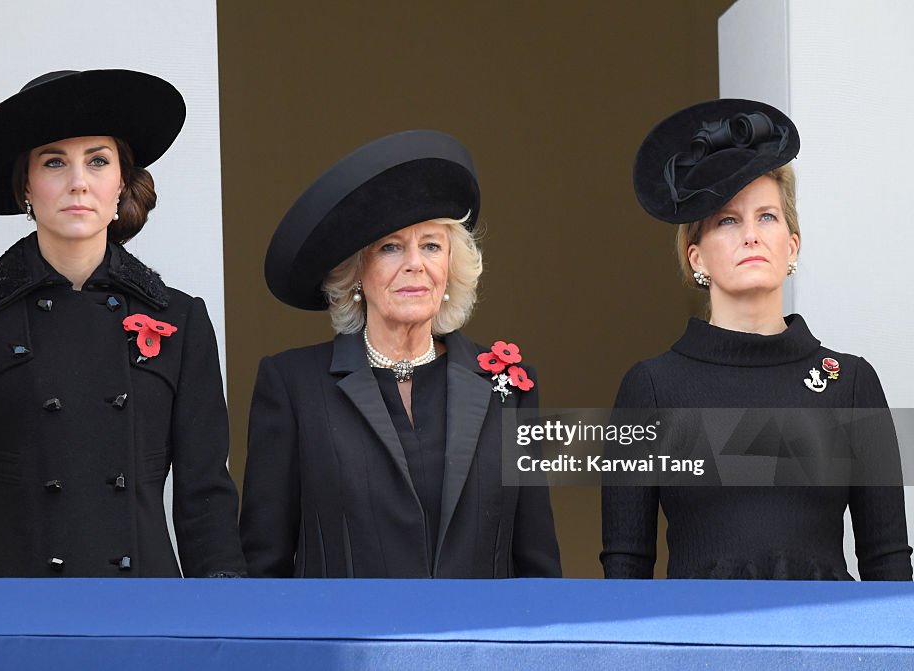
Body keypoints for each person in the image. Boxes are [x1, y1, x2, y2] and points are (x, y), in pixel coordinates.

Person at [0, 69, 247, 578]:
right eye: (55, 162)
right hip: (13, 612)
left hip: (149, 614)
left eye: (98, 161)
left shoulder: (181, 319)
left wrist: (223, 625)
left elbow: (205, 496)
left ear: (121, 184)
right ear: (26, 185)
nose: (78, 183)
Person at [600, 99, 912, 580]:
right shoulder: (651, 388)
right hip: (699, 650)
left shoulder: (851, 383)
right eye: (727, 220)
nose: (751, 235)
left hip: (826, 649)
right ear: (696, 257)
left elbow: (888, 561)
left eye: (767, 216)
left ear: (792, 245)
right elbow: (626, 569)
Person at [240, 130, 561, 578]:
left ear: (450, 267)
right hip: (347, 646)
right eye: (390, 247)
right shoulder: (293, 386)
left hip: (478, 645)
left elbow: (537, 564)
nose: (415, 263)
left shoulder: (507, 387)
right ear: (356, 272)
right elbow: (264, 565)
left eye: (430, 244)